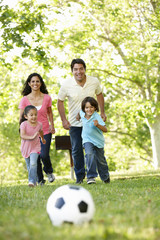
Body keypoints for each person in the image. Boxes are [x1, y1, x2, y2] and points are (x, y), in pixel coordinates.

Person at [57, 58, 107, 184]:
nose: (78, 71)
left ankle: (98, 175)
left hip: (92, 122)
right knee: (77, 149)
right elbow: (60, 102)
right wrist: (63, 120)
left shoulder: (93, 81)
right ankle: (80, 177)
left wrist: (102, 112)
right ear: (72, 71)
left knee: (94, 149)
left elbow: (100, 94)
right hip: (75, 122)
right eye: (75, 69)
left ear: (84, 69)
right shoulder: (66, 84)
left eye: (81, 68)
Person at [19, 73, 55, 185]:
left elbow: (50, 113)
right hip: (30, 133)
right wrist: (22, 132)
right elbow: (21, 117)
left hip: (44, 130)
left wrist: (52, 125)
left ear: (41, 83)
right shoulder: (24, 99)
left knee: (44, 154)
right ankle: (40, 180)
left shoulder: (47, 98)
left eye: (37, 81)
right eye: (33, 81)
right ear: (29, 83)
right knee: (36, 156)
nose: (35, 83)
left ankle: (49, 172)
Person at [76, 97, 110, 184]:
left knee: (101, 160)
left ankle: (105, 177)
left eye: (91, 107)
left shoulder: (96, 116)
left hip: (98, 141)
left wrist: (98, 125)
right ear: (84, 108)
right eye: (86, 107)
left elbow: (105, 129)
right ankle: (91, 177)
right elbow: (79, 113)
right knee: (89, 154)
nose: (89, 109)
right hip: (87, 140)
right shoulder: (82, 113)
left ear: (95, 107)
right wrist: (77, 116)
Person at [20, 105, 46, 187]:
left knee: (33, 163)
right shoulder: (23, 124)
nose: (34, 117)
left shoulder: (39, 124)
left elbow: (41, 131)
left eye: (35, 114)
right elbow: (22, 135)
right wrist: (31, 137)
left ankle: (31, 181)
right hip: (25, 148)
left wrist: (42, 138)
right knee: (29, 166)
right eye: (31, 115)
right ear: (26, 116)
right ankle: (33, 182)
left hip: (35, 147)